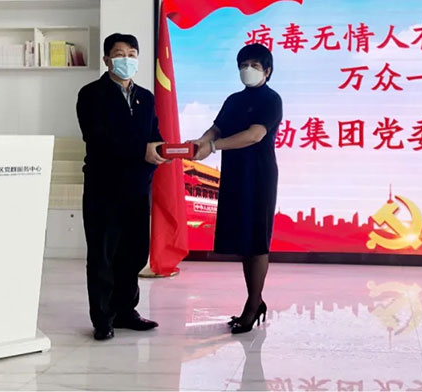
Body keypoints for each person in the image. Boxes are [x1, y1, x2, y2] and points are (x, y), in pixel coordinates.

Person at [76, 33, 168, 341]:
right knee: (103, 255)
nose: (126, 59)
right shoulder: (91, 94)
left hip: (137, 187)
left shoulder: (146, 97)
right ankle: (103, 318)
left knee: (134, 253)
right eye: (119, 53)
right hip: (103, 187)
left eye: (131, 54)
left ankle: (126, 311)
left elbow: (153, 134)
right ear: (106, 59)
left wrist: (163, 150)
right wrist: (141, 150)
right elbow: (97, 138)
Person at [190, 43, 283, 335]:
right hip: (234, 173)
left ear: (267, 70)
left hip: (259, 175)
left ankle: (253, 305)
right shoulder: (233, 100)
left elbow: (254, 135)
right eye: (244, 65)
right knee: (244, 240)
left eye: (255, 65)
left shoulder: (271, 99)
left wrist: (213, 146)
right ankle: (255, 300)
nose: (248, 70)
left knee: (257, 240)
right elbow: (217, 128)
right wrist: (201, 142)